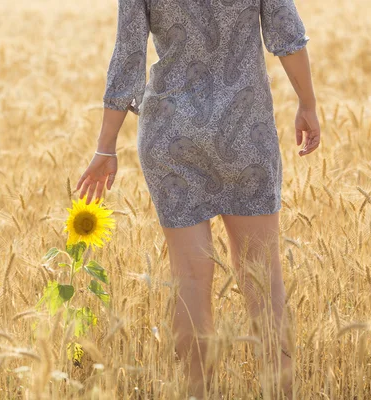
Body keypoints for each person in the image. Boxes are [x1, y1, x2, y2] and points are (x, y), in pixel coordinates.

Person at [75, 0, 320, 398]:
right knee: (263, 277)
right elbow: (287, 35)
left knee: (189, 277)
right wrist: (307, 104)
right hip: (246, 130)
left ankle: (195, 393)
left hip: (171, 133)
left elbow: (128, 55)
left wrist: (106, 146)